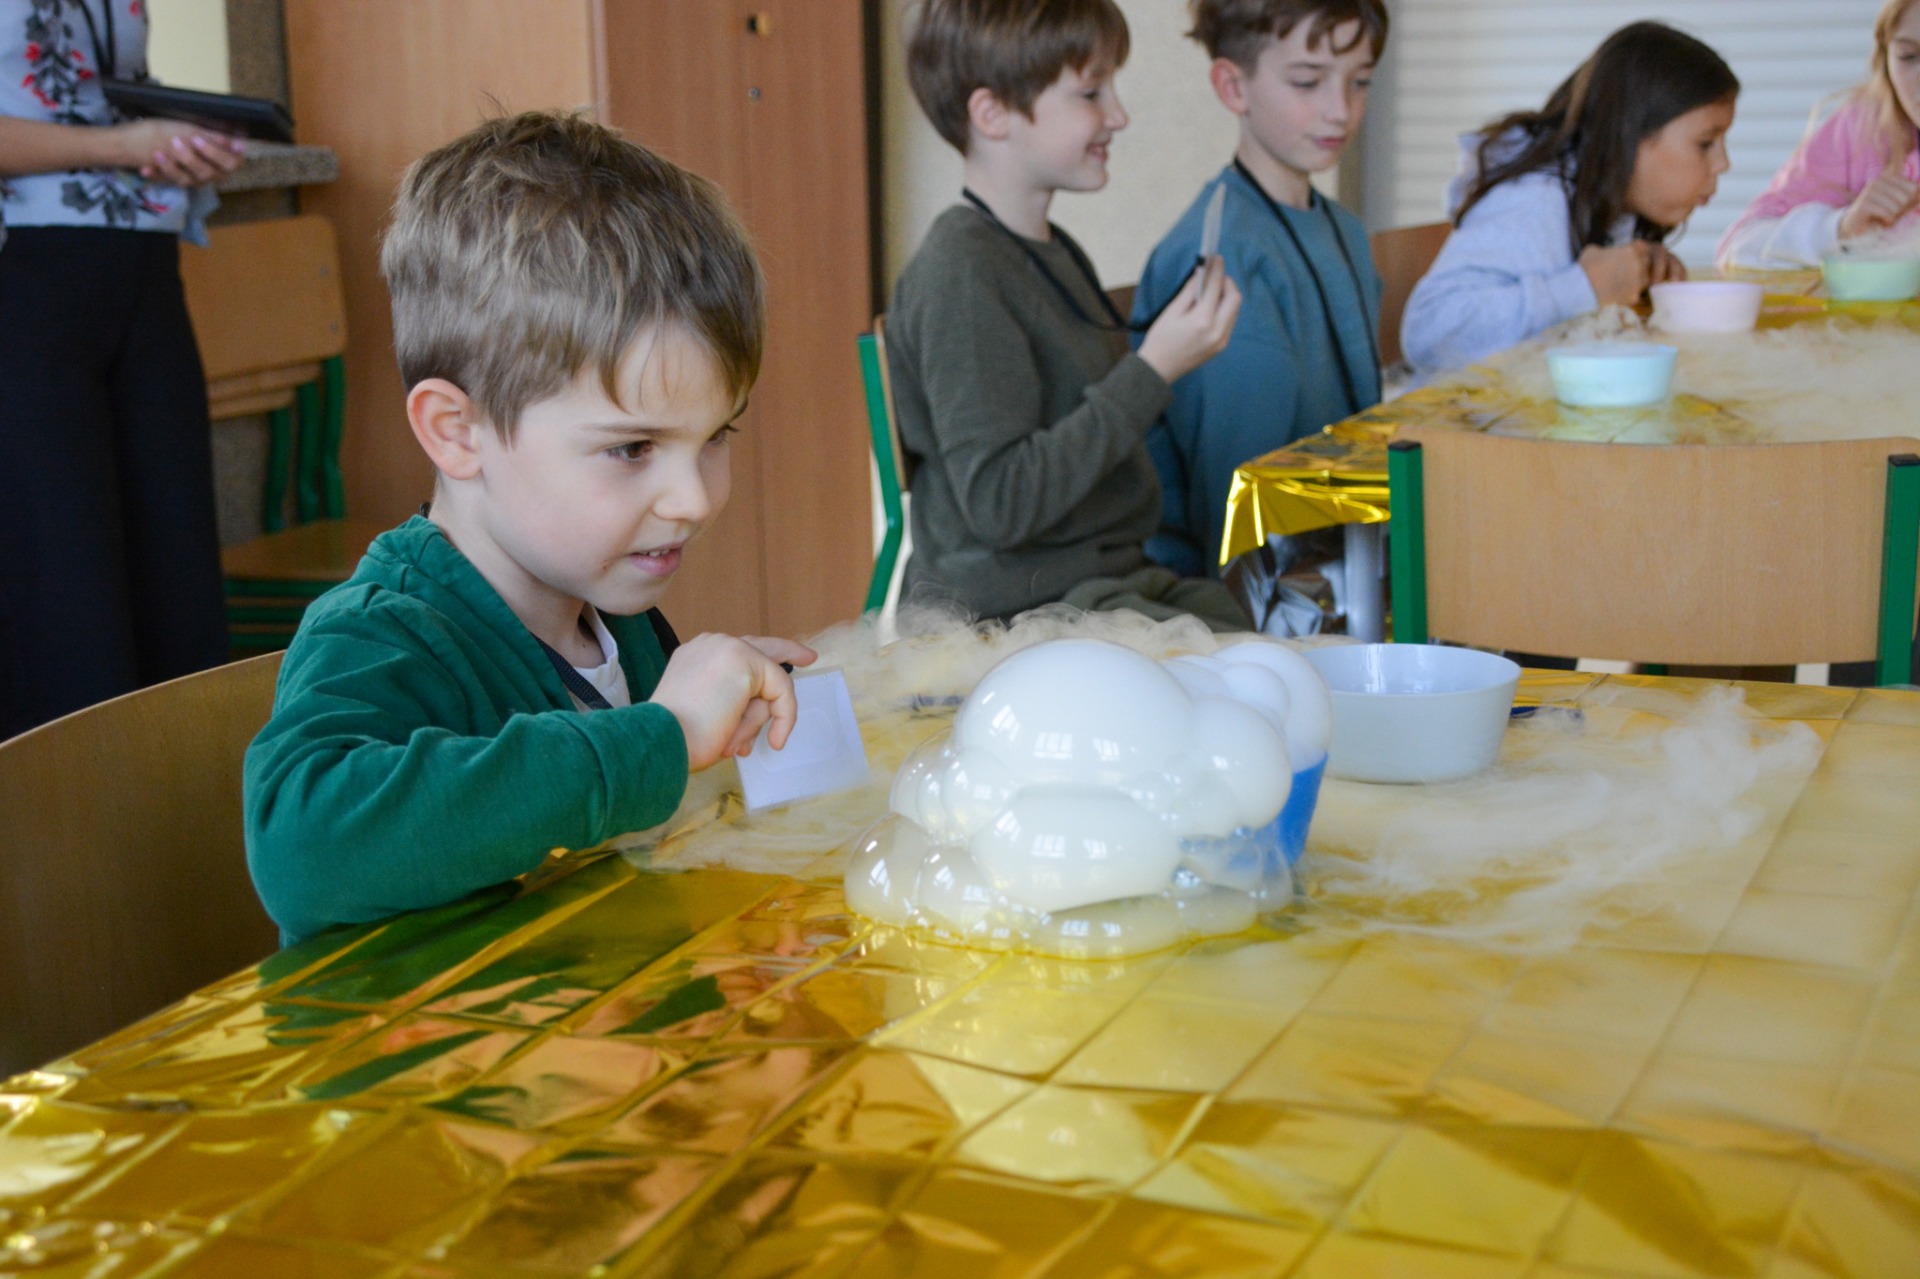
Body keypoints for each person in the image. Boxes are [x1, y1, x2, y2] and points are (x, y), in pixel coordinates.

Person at [244, 112, 814, 946]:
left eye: (716, 435)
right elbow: (302, 850)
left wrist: (715, 734)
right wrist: (661, 736)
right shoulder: (384, 633)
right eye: (631, 448)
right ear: (457, 432)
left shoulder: (612, 618)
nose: (694, 498)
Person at [887, 0, 1249, 630]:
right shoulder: (961, 272)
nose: (1118, 115)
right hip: (1013, 610)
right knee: (1248, 663)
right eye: (1090, 93)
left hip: (1097, 583)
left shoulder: (1049, 251)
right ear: (991, 113)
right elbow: (1000, 504)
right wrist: (1153, 370)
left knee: (1262, 641)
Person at [0, 0, 248, 739]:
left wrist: (184, 138)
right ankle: (76, 809)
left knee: (178, 565)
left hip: (141, 257)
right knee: (65, 585)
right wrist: (122, 144)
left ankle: (186, 798)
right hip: (24, 272)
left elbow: (93, 86)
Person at [1132, 0, 1387, 582]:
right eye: (1307, 81)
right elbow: (1234, 515)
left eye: (1360, 81)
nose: (1340, 109)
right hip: (1249, 592)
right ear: (1232, 86)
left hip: (1343, 558)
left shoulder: (1344, 231)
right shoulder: (1221, 257)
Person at [1400, 22, 1739, 379]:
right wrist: (1583, 288)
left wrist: (1638, 272)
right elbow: (1427, 334)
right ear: (1630, 134)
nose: (1723, 163)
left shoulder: (1610, 207)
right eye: (1705, 143)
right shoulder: (1534, 201)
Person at [1718, 0, 1920, 269]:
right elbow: (1738, 250)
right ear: (1885, 58)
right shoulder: (1860, 130)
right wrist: (1840, 228)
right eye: (1908, 56)